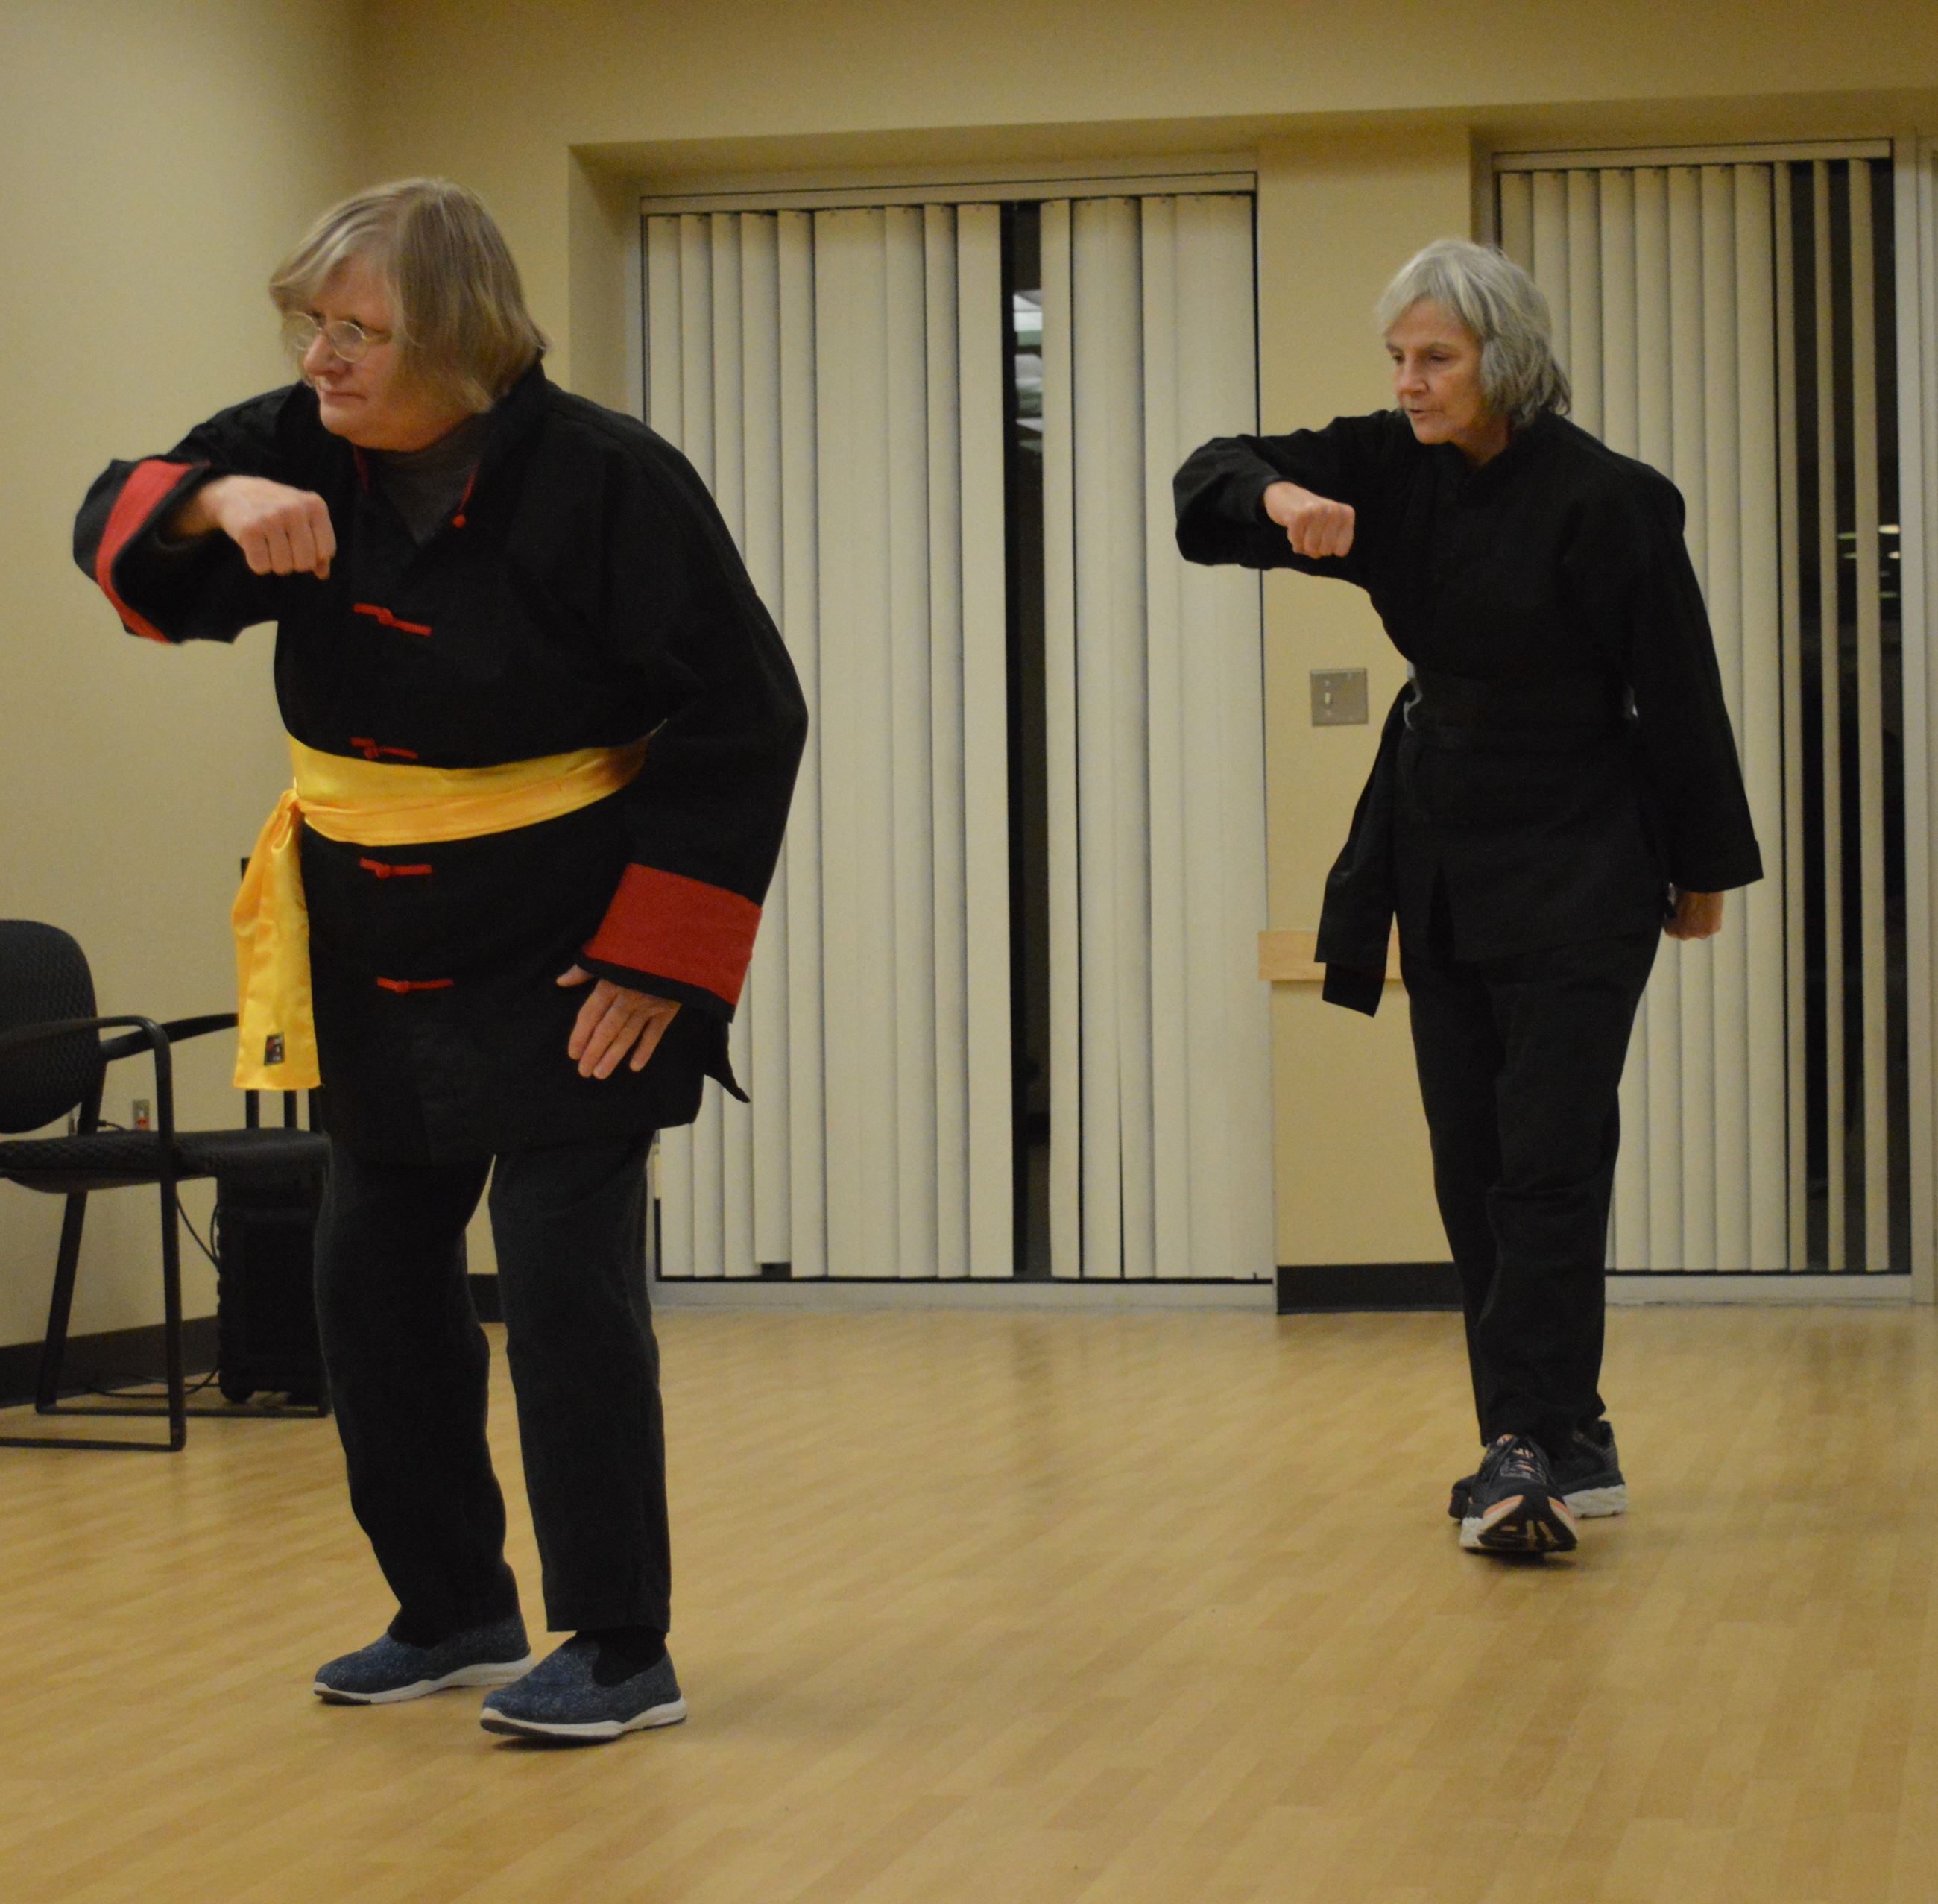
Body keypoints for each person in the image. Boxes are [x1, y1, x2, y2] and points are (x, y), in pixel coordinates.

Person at [74, 180, 806, 1732]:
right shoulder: (296, 439)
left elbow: (746, 714)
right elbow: (120, 522)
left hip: (569, 941)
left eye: (360, 330)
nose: (324, 356)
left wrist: (658, 960)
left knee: (560, 1277)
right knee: (369, 1270)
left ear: (459, 343)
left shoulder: (609, 478)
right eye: (312, 323)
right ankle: (453, 1603)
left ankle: (619, 1639)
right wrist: (212, 505)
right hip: (372, 928)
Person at [1174, 238, 1761, 1557]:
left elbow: (1679, 693)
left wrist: (1705, 868)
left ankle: (1520, 1446)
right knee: (1473, 1160)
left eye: (1435, 358)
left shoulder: (1612, 501)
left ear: (1508, 358)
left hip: (1584, 856)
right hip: (1440, 854)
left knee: (1551, 1158)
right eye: (1398, 358)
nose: (1411, 381)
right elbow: (1210, 474)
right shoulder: (1392, 469)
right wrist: (1282, 507)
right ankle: (1568, 1429)